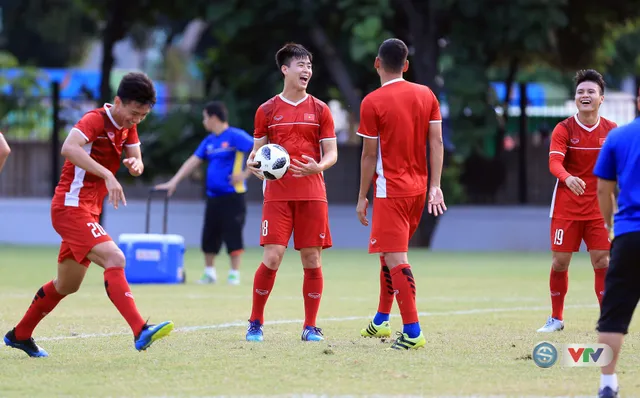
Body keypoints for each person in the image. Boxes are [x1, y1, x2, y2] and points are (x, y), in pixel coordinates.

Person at [4, 72, 174, 357]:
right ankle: (140, 330)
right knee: (115, 257)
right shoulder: (96, 119)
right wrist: (107, 173)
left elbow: (137, 160)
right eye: (134, 113)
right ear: (118, 101)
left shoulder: (128, 125)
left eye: (143, 116)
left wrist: (136, 165)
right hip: (70, 207)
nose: (137, 120)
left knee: (67, 284)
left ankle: (20, 335)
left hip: (88, 211)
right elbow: (68, 147)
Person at [355, 38, 446, 350]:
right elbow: (436, 142)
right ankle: (382, 320)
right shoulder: (427, 94)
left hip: (389, 190)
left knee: (395, 257)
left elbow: (369, 156)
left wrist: (362, 196)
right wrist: (435, 185)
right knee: (387, 253)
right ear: (406, 65)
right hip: (418, 190)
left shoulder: (372, 102)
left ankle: (413, 331)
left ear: (377, 63)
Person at [244, 42, 338, 342]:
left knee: (312, 259)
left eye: (309, 66)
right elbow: (256, 152)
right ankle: (255, 322)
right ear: (285, 69)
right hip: (277, 195)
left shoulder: (320, 109)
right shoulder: (267, 110)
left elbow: (332, 153)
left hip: (312, 193)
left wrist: (318, 166)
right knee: (273, 257)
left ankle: (310, 326)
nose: (306, 70)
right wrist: (252, 162)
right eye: (301, 65)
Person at [538, 69, 617, 333]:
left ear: (601, 98)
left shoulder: (611, 130)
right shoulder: (563, 128)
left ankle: (607, 320)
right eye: (581, 92)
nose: (585, 96)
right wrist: (567, 177)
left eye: (590, 92)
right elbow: (554, 162)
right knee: (560, 262)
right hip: (566, 207)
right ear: (575, 98)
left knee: (602, 262)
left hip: (598, 209)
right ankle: (556, 319)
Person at [155, 101, 254, 285]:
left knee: (233, 234)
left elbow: (258, 150)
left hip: (234, 195)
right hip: (213, 197)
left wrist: (245, 174)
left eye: (205, 117)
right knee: (209, 234)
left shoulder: (235, 136)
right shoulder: (209, 141)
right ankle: (209, 273)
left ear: (213, 117)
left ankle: (234, 274)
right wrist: (173, 182)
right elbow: (192, 161)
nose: (203, 121)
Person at [592, 88, 640, 398]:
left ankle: (607, 384)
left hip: (629, 234)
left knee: (614, 314)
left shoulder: (619, 137)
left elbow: (603, 190)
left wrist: (611, 225)